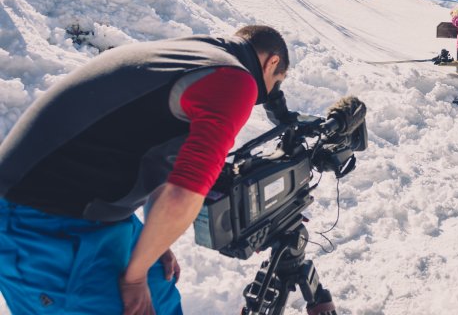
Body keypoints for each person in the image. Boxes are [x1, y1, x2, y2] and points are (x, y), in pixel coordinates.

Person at [0, 25, 292, 314]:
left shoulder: (191, 55)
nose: (270, 93)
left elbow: (157, 161)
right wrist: (134, 276)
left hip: (92, 211)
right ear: (272, 63)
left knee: (160, 294)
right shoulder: (236, 80)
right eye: (277, 82)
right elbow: (183, 194)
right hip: (40, 220)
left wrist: (153, 245)